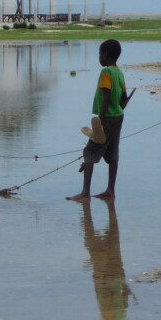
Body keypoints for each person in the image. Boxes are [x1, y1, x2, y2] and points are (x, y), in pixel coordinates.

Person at [68, 39, 134, 201]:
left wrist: (101, 121)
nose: (99, 57)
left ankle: (85, 193)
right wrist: (119, 108)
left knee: (89, 151)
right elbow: (123, 100)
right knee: (112, 152)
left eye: (99, 53)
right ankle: (110, 190)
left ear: (105, 54)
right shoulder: (119, 72)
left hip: (107, 118)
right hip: (118, 116)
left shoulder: (106, 73)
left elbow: (106, 96)